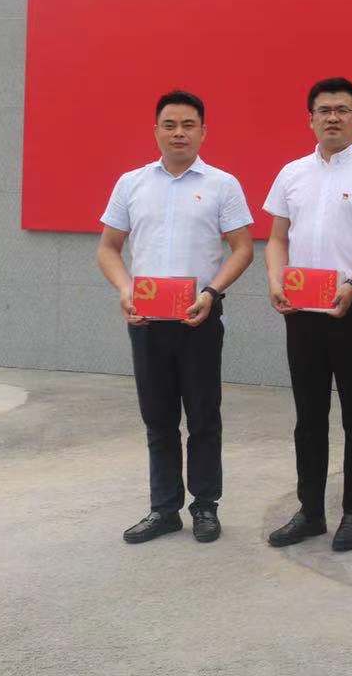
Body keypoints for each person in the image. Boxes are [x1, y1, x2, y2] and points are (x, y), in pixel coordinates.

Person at [96, 90, 254, 544]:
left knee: (203, 415)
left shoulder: (223, 184)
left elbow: (242, 249)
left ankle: (205, 505)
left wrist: (211, 291)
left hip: (198, 315)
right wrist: (126, 290)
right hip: (146, 319)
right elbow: (108, 248)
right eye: (170, 125)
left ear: (203, 132)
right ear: (156, 131)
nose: (178, 133)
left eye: (188, 125)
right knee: (158, 417)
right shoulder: (132, 183)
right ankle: (164, 509)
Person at [263, 77, 352, 553]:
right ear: (310, 119)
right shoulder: (291, 173)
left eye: (342, 110)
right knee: (308, 413)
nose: (332, 117)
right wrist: (275, 279)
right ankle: (310, 511)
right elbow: (277, 238)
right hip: (301, 306)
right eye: (323, 110)